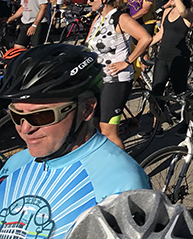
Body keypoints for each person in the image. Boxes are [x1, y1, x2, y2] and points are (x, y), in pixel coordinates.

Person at [0, 44, 150, 239]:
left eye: (42, 116)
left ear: (86, 109)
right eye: (16, 115)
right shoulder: (14, 165)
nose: (25, 128)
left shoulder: (123, 184)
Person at [82, 0, 151, 149]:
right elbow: (86, 45)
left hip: (116, 80)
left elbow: (146, 38)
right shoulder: (98, 19)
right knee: (94, 126)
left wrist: (127, 61)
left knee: (108, 132)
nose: (88, 2)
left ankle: (122, 171)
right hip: (97, 78)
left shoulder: (121, 18)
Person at [150, 0, 193, 115]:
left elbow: (183, 12)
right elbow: (161, 33)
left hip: (179, 58)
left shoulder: (189, 13)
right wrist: (145, 45)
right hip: (163, 57)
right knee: (157, 92)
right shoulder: (167, 11)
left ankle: (187, 122)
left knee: (180, 94)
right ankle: (156, 127)